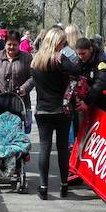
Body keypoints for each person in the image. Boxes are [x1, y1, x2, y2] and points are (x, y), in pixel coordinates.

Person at [30, 27, 81, 200]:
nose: (64, 45)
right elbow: (76, 71)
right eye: (62, 42)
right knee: (62, 148)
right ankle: (64, 185)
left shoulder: (36, 60)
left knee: (45, 147)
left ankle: (43, 187)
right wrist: (64, 58)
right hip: (61, 109)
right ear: (57, 42)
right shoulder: (59, 60)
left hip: (43, 109)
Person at [0, 30, 34, 132]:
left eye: (14, 45)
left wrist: (24, 88)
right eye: (9, 44)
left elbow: (33, 77)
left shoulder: (27, 57)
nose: (11, 47)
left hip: (19, 103)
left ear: (19, 44)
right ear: (5, 44)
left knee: (15, 135)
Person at [74, 37, 106, 116]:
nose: (81, 56)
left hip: (104, 103)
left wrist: (87, 101)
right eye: (78, 54)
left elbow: (101, 82)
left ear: (90, 49)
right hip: (90, 101)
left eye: (83, 53)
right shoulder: (81, 61)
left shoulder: (102, 61)